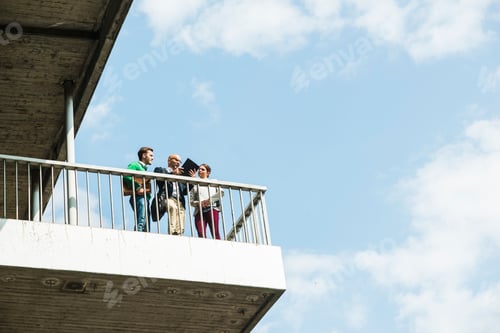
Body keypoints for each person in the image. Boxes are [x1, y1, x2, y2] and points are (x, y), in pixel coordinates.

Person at [154, 154, 195, 235]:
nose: (178, 162)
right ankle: (172, 232)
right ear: (169, 160)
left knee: (181, 213)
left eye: (180, 161)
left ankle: (179, 234)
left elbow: (185, 191)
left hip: (179, 200)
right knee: (173, 207)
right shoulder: (160, 170)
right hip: (167, 198)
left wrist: (191, 182)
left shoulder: (180, 176)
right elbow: (160, 179)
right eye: (176, 160)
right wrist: (173, 173)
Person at [123, 146, 154, 232]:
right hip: (138, 197)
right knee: (141, 221)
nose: (153, 158)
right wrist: (137, 187)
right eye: (151, 155)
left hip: (145, 198)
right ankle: (137, 237)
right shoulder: (135, 165)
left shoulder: (144, 169)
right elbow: (126, 175)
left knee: (146, 225)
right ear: (144, 155)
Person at [189, 164, 223, 240]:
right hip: (199, 211)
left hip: (212, 209)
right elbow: (191, 201)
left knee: (215, 232)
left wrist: (209, 201)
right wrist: (199, 203)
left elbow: (221, 193)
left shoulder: (213, 181)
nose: (200, 171)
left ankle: (219, 248)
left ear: (208, 173)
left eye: (202, 169)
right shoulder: (194, 185)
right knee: (201, 233)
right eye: (199, 169)